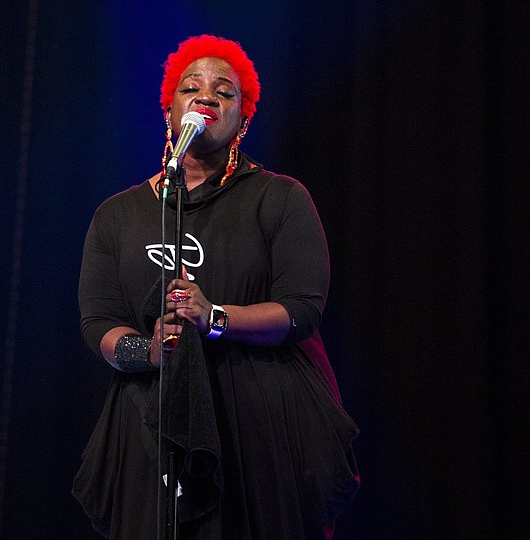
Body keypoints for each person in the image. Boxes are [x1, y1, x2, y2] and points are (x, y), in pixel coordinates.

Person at [73, 34, 360, 539]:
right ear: (170, 112)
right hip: (153, 420)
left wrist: (216, 318)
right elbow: (98, 323)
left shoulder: (280, 199)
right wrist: (149, 351)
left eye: (224, 92)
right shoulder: (117, 215)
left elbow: (301, 310)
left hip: (256, 420)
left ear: (242, 120)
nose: (207, 96)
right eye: (192, 87)